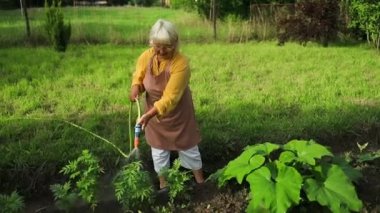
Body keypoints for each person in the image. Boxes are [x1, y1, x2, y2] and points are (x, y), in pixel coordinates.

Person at [129, 19, 204, 190]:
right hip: (154, 118)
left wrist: (148, 115)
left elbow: (170, 97)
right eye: (157, 46)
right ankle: (164, 186)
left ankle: (201, 184)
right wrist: (136, 87)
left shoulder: (181, 63)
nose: (161, 51)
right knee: (159, 151)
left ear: (175, 43)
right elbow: (139, 75)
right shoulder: (146, 56)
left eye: (167, 46)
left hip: (178, 114)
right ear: (151, 43)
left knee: (188, 148)